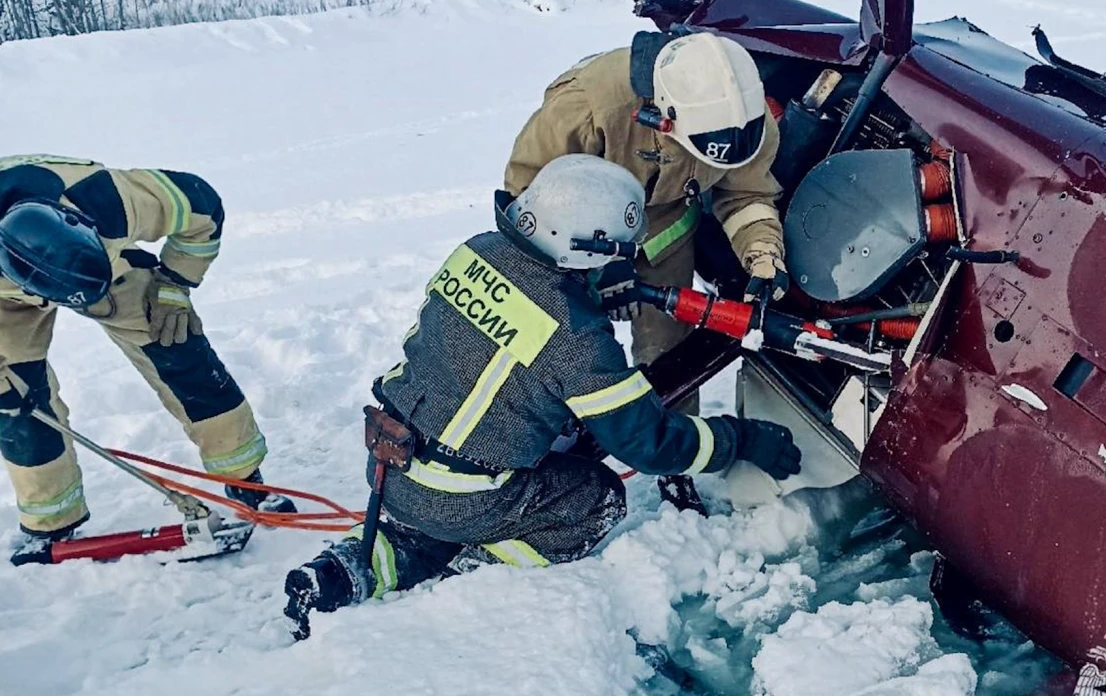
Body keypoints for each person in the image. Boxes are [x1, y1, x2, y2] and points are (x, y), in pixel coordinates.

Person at [282, 155, 801, 640]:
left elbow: (511, 332)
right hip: (461, 494)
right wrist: (742, 439)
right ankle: (472, 570)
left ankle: (347, 571)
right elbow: (651, 444)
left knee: (460, 495)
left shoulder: (477, 251)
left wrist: (587, 287)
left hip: (390, 462)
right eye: (617, 254)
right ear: (586, 253)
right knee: (595, 497)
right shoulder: (577, 339)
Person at [0, 154, 296, 567]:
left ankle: (244, 478)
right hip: (5, 302)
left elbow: (204, 207)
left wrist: (174, 285)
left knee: (178, 346)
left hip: (106, 268)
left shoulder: (111, 200)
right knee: (15, 400)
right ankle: (50, 522)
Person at [504, 32, 789, 413]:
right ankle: (545, 433)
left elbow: (746, 194)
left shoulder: (746, 120)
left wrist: (763, 255)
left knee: (669, 348)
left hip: (664, 225)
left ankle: (672, 447)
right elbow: (528, 194)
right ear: (663, 119)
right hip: (570, 229)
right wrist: (600, 265)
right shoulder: (588, 105)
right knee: (560, 343)